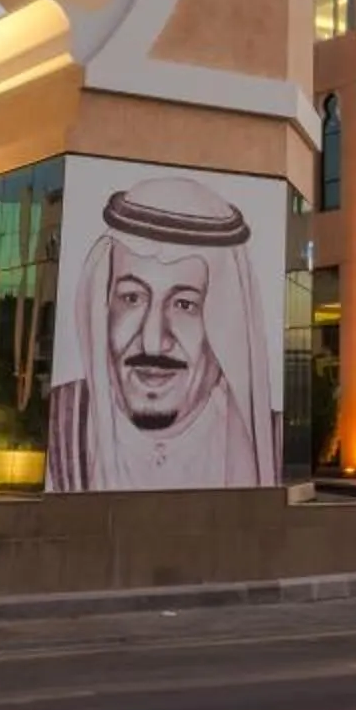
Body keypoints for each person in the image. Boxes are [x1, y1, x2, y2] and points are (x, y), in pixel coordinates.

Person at [47, 176, 271, 491]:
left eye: (185, 304)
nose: (153, 341)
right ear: (103, 307)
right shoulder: (62, 426)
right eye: (131, 298)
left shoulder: (266, 438)